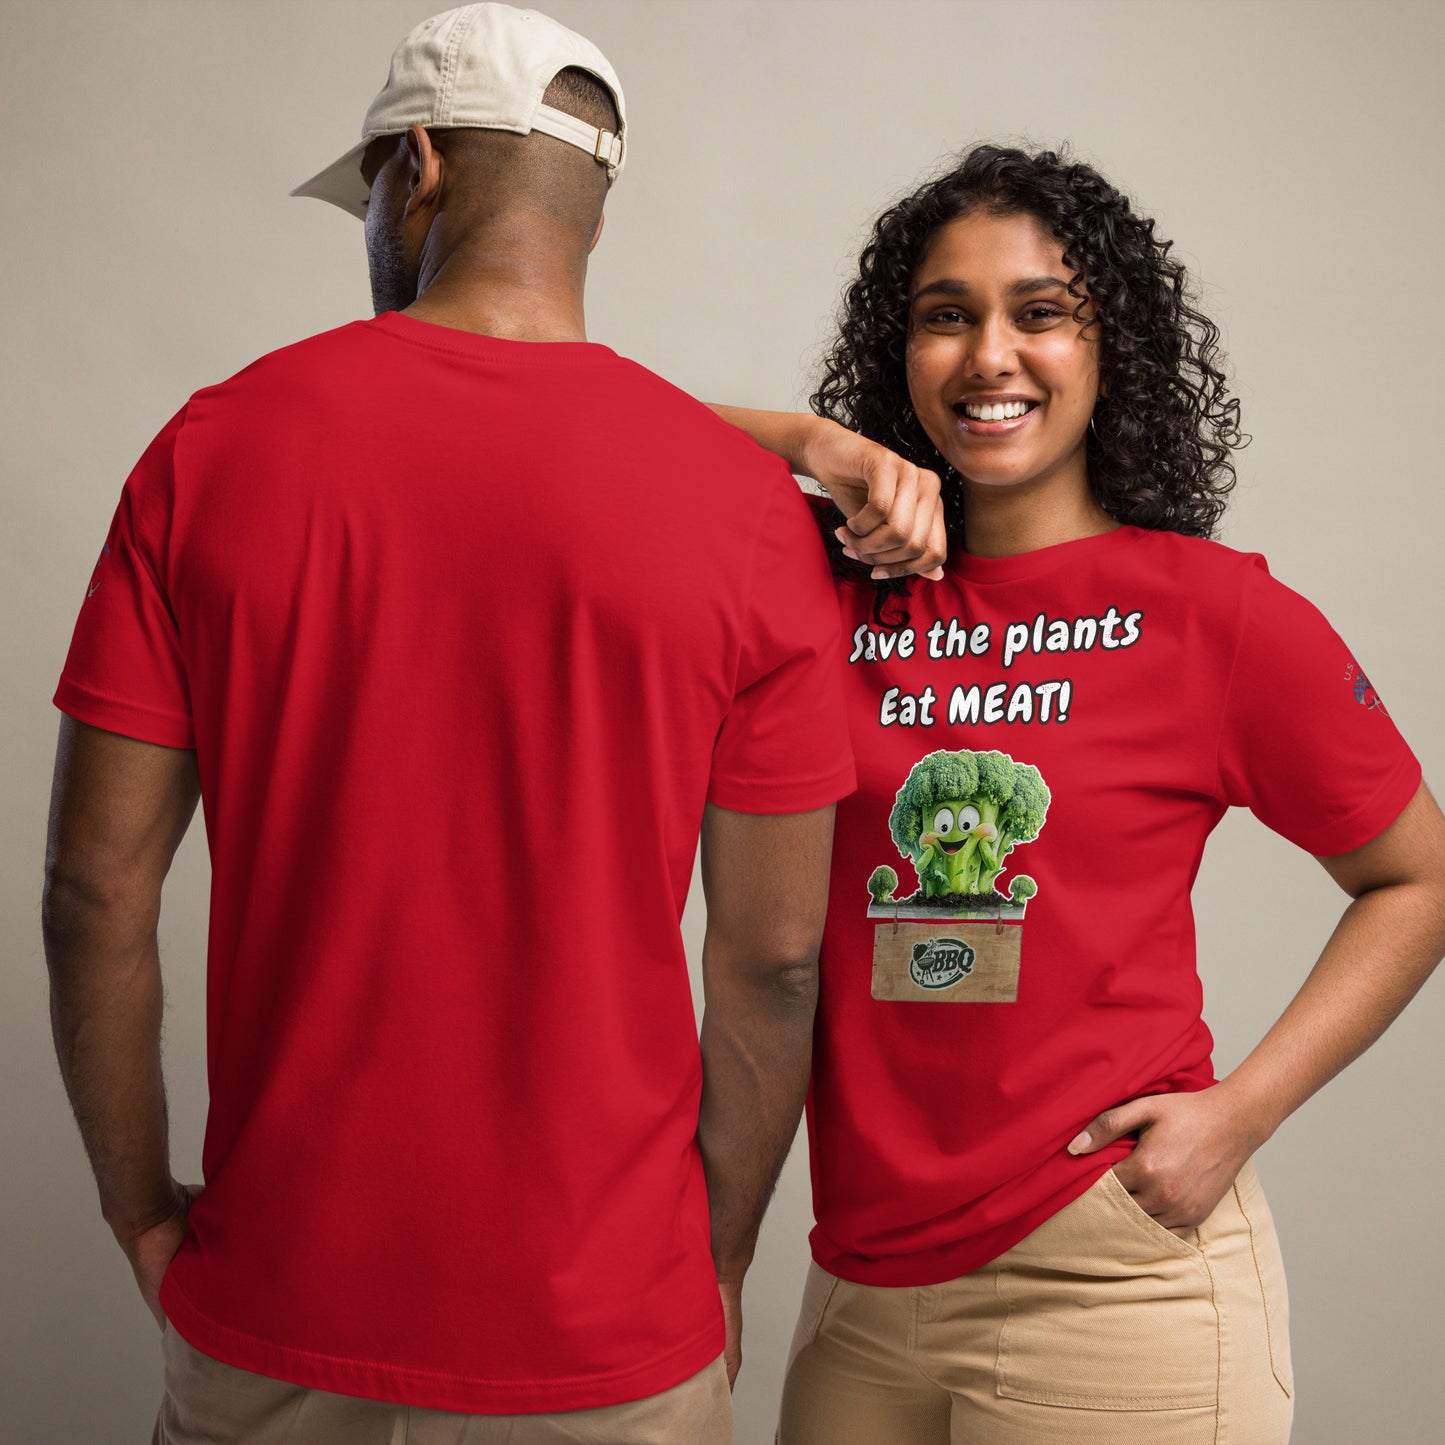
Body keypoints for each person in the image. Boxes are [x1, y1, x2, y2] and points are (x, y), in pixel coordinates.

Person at [41, 6, 854, 1443]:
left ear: (412, 170)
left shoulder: (211, 450)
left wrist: (140, 1215)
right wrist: (710, 1264)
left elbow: (92, 889)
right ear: (595, 210)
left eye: (365, 191)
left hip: (278, 1302)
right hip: (607, 1336)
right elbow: (773, 962)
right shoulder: (742, 517)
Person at [712, 143, 1445, 1444]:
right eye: (947, 316)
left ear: (1113, 350)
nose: (990, 354)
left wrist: (1243, 1108)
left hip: (1110, 1275)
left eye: (1039, 312)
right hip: (859, 1282)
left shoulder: (1212, 616)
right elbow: (583, 432)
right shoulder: (818, 597)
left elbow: (1416, 876)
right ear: (900, 349)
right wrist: (811, 442)